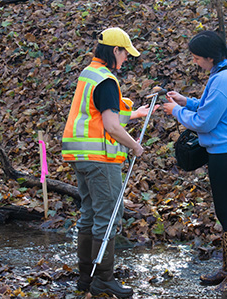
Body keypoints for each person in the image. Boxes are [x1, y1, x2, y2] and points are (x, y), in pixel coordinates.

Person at [62, 27, 157, 298]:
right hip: (100, 161)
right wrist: (135, 146)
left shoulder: (89, 74)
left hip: (80, 157)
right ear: (115, 50)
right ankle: (103, 279)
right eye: (125, 53)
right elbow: (112, 127)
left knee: (89, 215)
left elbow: (96, 118)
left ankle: (85, 278)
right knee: (108, 218)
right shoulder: (107, 81)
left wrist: (135, 114)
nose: (126, 58)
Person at [163, 30, 227, 292]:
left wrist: (176, 111)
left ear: (209, 57)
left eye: (195, 58)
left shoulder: (225, 78)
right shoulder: (223, 72)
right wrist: (186, 102)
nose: (194, 62)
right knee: (226, 212)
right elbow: (209, 108)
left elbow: (205, 122)